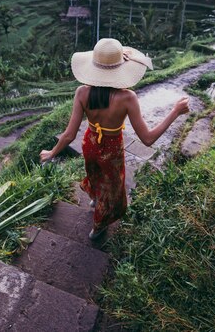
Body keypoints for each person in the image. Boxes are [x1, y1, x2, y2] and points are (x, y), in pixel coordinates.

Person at [40, 38, 190, 240]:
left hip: (90, 143)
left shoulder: (82, 92)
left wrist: (52, 153)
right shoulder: (127, 98)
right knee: (112, 190)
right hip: (112, 151)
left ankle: (94, 198)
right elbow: (147, 139)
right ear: (120, 70)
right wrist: (175, 112)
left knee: (93, 171)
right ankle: (98, 228)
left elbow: (69, 135)